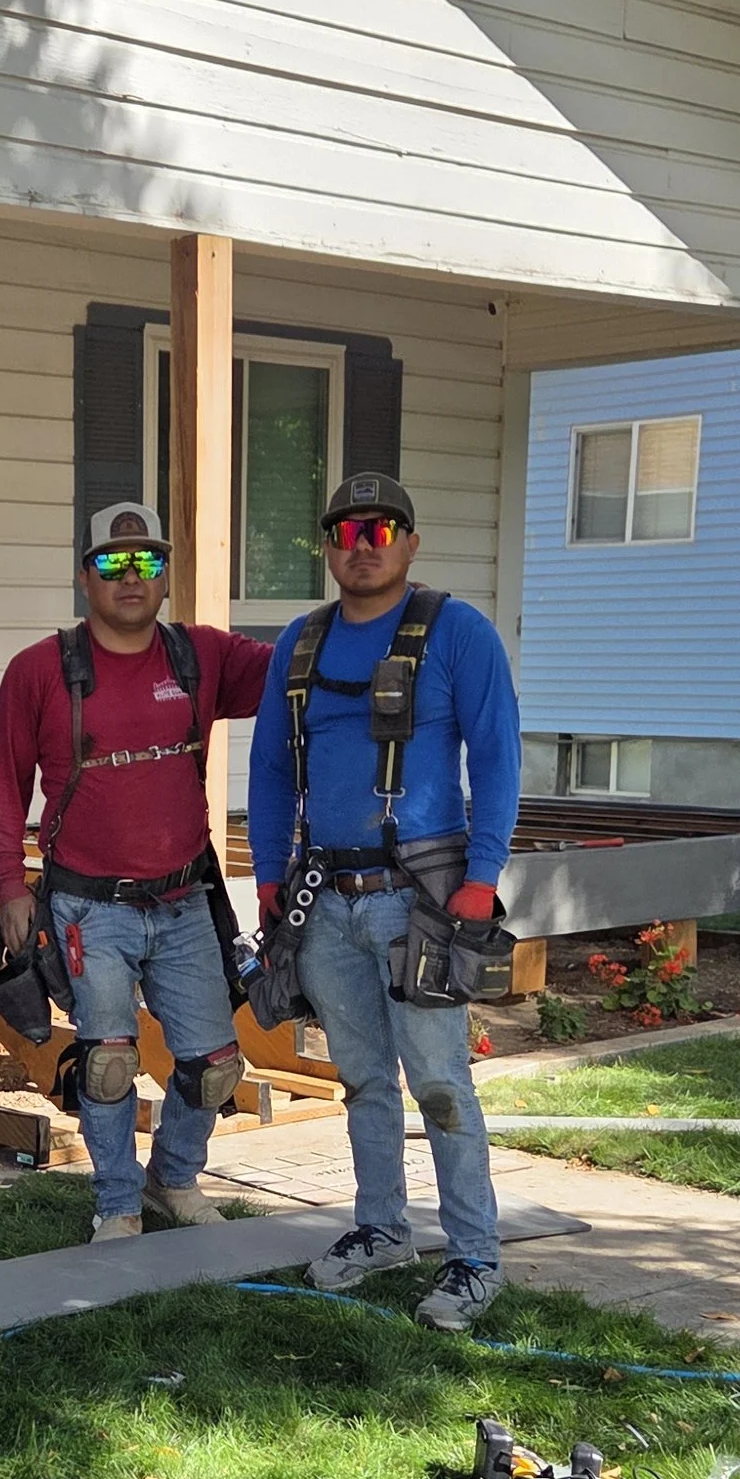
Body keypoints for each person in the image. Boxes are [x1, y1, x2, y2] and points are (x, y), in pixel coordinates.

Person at [246, 469, 520, 1329]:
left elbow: (498, 757)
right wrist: (266, 871)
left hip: (423, 893)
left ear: (410, 540)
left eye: (381, 529)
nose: (362, 547)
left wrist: (483, 878)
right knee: (363, 1075)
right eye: (345, 531)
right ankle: (382, 1227)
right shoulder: (300, 642)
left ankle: (474, 1256)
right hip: (323, 892)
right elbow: (268, 767)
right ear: (326, 546)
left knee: (439, 1080)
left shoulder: (457, 633)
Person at [0, 502, 273, 1238]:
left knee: (213, 1062)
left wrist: (369, 619)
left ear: (167, 574)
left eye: (148, 560)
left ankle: (171, 1179)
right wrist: (9, 885)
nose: (132, 575)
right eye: (113, 562)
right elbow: (3, 784)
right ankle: (115, 1201)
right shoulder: (41, 669)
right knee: (108, 1061)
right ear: (86, 578)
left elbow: (301, 669)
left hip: (183, 900)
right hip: (88, 906)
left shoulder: (199, 656)